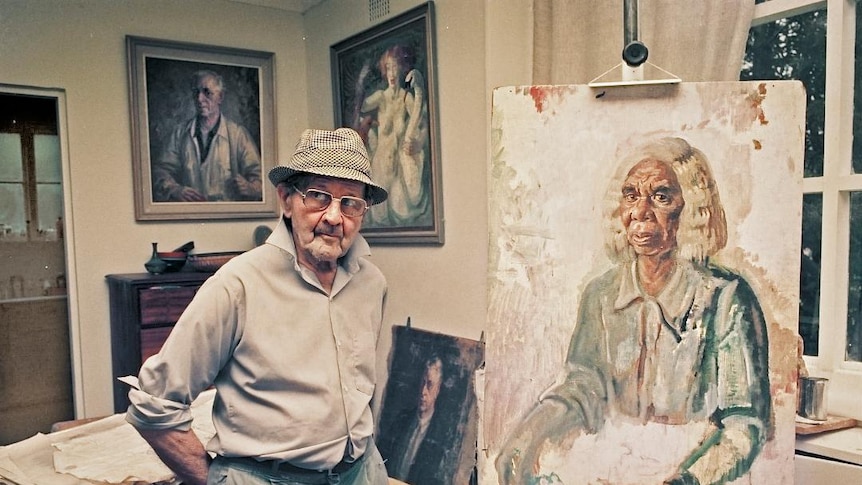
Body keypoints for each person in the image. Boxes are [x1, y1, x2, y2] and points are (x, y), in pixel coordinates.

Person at [495, 137, 772, 485]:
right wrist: (528, 435)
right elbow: (582, 388)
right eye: (631, 195)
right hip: (614, 470)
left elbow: (745, 424)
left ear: (691, 208)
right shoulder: (601, 294)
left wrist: (687, 481)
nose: (640, 212)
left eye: (660, 196)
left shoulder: (727, 298)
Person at [127, 127, 391, 485]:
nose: (333, 216)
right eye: (318, 196)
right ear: (286, 199)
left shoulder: (371, 283)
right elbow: (153, 406)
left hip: (361, 472)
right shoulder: (237, 285)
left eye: (350, 203)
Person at [151, 69, 263, 202]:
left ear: (220, 97)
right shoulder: (179, 133)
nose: (199, 99)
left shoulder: (238, 135)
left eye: (207, 92)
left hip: (227, 216)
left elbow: (261, 179)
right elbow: (160, 171)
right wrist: (175, 189)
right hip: (189, 215)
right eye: (196, 92)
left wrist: (251, 188)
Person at [353, 44, 431, 227]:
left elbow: (423, 120)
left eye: (395, 67)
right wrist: (361, 84)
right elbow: (361, 108)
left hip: (396, 166)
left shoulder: (406, 99)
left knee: (400, 206)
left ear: (403, 69)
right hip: (380, 163)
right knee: (378, 214)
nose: (392, 73)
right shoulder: (381, 97)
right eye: (388, 68)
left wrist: (419, 142)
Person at [378, 355, 446, 484]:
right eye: (422, 382)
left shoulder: (440, 435)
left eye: (430, 384)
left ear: (438, 389)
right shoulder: (401, 420)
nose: (423, 391)